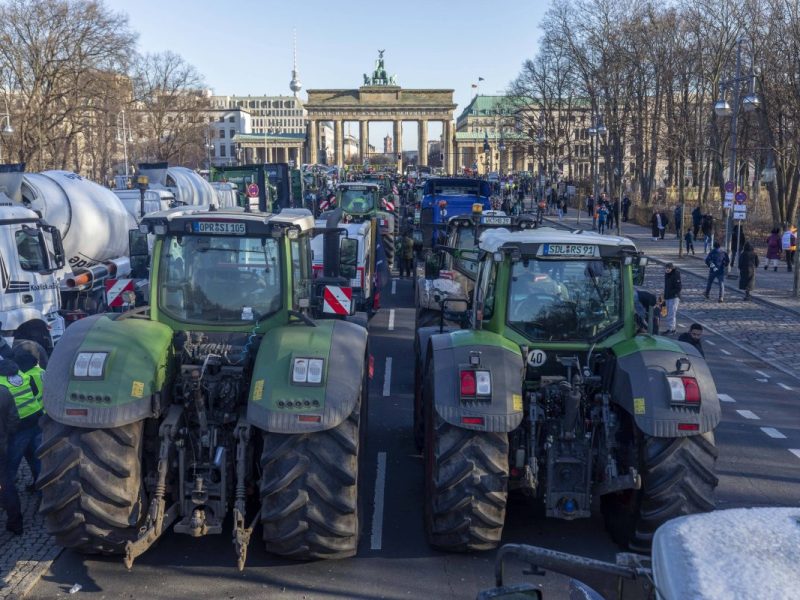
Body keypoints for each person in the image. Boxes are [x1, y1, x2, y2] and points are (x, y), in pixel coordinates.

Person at [1, 350, 44, 535]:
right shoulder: (19, 373)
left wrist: (9, 434)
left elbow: (10, 417)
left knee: (8, 472)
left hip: (19, 429)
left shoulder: (1, 384)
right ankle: (45, 497)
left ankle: (7, 501)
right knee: (37, 461)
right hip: (35, 419)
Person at [663, 263, 682, 334]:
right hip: (668, 296)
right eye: (666, 268)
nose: (667, 269)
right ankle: (671, 328)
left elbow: (679, 287)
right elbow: (666, 286)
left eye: (668, 268)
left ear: (672, 268)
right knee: (669, 313)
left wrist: (671, 293)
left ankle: (671, 329)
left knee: (671, 313)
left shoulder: (676, 274)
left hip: (674, 297)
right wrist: (665, 296)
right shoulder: (667, 274)